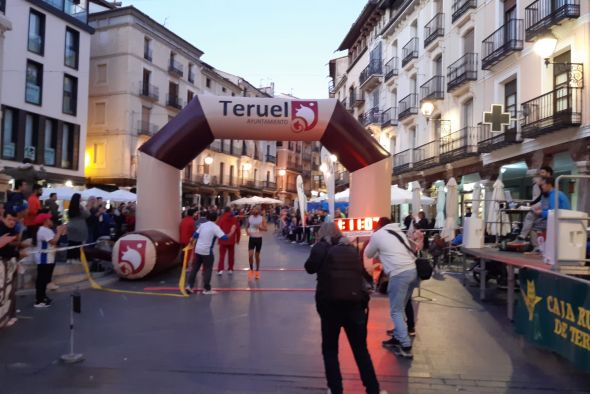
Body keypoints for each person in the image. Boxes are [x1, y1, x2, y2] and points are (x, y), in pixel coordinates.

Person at [304, 222, 382, 394]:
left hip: (329, 306)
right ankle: (373, 388)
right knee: (360, 349)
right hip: (354, 306)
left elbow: (309, 268)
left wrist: (319, 247)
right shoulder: (351, 248)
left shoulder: (321, 248)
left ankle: (336, 388)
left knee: (330, 350)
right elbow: (362, 274)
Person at [365, 219, 418, 358]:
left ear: (378, 226)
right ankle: (398, 336)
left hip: (399, 274)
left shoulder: (378, 235)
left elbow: (368, 253)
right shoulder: (398, 232)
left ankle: (405, 345)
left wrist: (374, 236)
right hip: (413, 272)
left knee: (396, 311)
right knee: (401, 307)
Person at [186, 212, 227, 295]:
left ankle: (189, 286)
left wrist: (191, 241)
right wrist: (232, 232)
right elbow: (224, 238)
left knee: (195, 268)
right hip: (207, 252)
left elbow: (195, 235)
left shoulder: (202, 225)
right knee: (208, 270)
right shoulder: (215, 227)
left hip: (198, 250)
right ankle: (206, 289)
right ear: (217, 218)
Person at [34, 213, 66, 308]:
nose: (51, 221)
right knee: (42, 280)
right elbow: (53, 241)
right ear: (45, 221)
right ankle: (39, 300)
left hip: (49, 258)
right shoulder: (44, 230)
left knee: (44, 279)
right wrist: (59, 232)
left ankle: (43, 297)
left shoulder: (47, 230)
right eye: (49, 219)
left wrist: (59, 232)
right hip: (44, 259)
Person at [66, 193, 89, 264]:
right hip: (79, 227)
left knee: (71, 243)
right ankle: (75, 258)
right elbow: (87, 215)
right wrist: (85, 207)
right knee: (78, 244)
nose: (81, 198)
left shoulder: (71, 206)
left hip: (71, 226)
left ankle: (69, 258)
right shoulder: (80, 207)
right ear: (78, 199)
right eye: (80, 198)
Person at [247, 206, 267, 280]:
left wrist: (259, 227)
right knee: (250, 255)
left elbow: (266, 229)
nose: (253, 210)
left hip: (259, 239)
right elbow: (247, 226)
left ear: (258, 210)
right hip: (251, 238)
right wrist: (247, 232)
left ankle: (257, 271)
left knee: (257, 256)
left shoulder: (262, 218)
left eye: (255, 209)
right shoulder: (250, 217)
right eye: (253, 209)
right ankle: (251, 270)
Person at [217, 207, 239, 275]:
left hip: (223, 239)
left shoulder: (221, 218)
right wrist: (238, 239)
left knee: (222, 255)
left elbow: (218, 229)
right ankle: (230, 269)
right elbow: (238, 230)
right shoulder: (234, 219)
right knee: (231, 255)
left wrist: (218, 239)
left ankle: (220, 270)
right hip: (231, 240)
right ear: (230, 210)